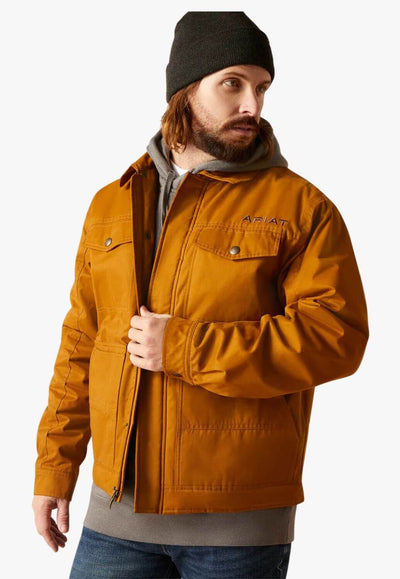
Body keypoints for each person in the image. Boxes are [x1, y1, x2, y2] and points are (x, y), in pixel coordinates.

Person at [32, 11, 369, 579]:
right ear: (185, 91)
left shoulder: (301, 208)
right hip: (116, 518)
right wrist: (54, 469)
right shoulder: (112, 203)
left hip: (238, 529)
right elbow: (81, 346)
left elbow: (336, 337)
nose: (252, 105)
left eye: (261, 88)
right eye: (232, 84)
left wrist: (186, 348)